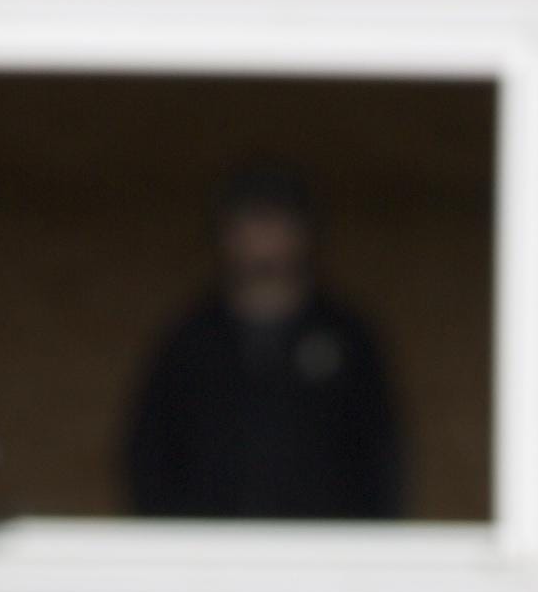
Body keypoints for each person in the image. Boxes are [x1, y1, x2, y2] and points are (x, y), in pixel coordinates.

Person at [121, 168, 406, 524]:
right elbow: (149, 453)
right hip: (209, 554)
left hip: (322, 553)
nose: (263, 241)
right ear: (225, 236)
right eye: (249, 226)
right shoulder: (191, 340)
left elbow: (382, 458)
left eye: (276, 224)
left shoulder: (346, 338)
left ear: (304, 233)